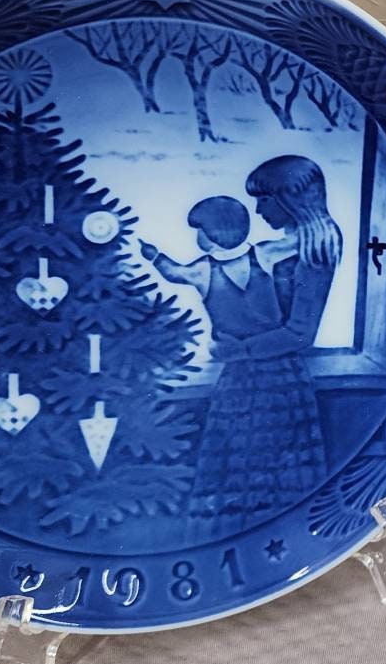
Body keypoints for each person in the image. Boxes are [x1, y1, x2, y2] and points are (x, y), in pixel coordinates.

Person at [143, 160, 339, 531]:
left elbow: (300, 333)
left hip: (276, 376)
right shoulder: (274, 249)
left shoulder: (310, 247)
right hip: (244, 376)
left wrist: (239, 350)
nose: (258, 210)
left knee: (273, 465)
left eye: (264, 199)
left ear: (289, 198)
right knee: (237, 463)